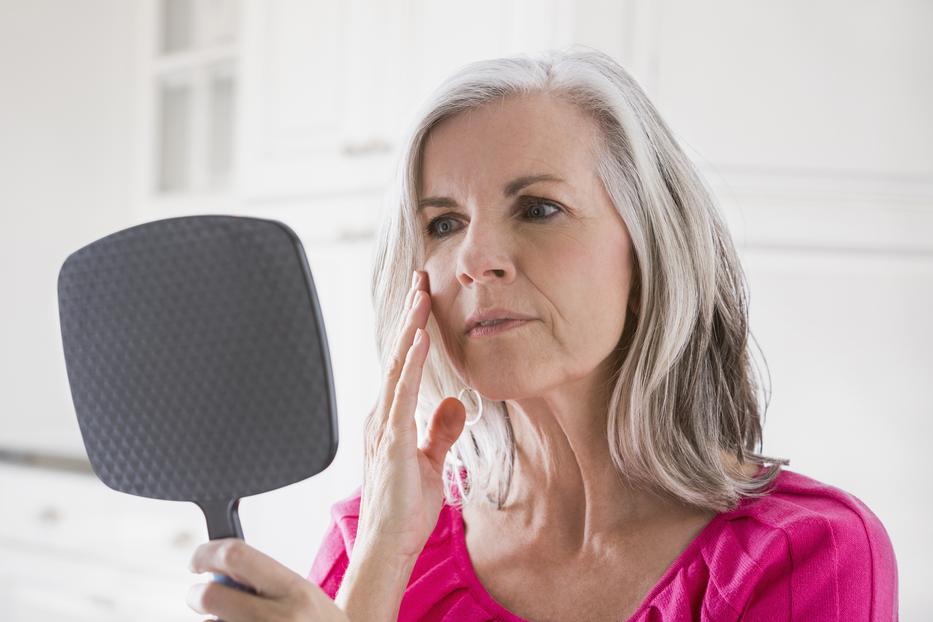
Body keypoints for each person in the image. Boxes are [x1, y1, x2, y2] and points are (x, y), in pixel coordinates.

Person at [185, 46, 899, 621]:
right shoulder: (373, 536)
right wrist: (379, 563)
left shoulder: (806, 554)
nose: (472, 261)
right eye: (441, 224)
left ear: (649, 244)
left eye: (537, 208)